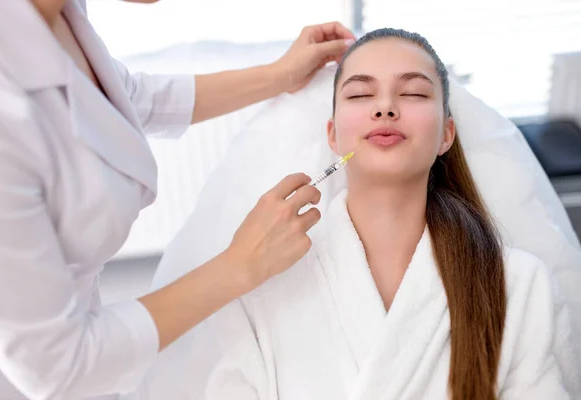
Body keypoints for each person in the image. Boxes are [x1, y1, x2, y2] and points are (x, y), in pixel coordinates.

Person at [136, 28, 580, 399]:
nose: (385, 107)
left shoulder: (520, 285)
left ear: (446, 135)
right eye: (361, 93)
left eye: (412, 92)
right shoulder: (262, 282)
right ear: (333, 136)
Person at [0, 0, 357, 398]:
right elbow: (57, 367)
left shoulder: (52, 12)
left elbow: (122, 96)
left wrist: (278, 74)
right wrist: (240, 264)